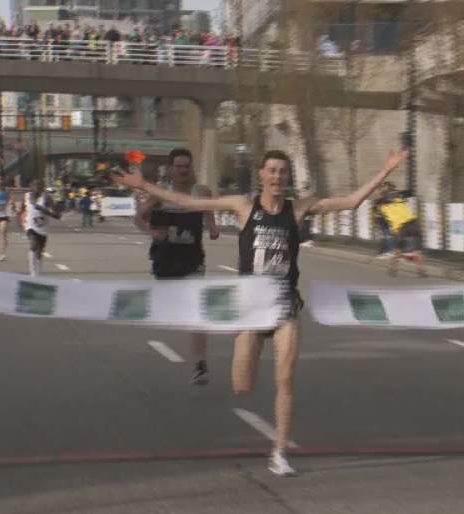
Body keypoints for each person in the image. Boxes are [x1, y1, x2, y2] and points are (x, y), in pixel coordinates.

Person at [115, 148, 408, 477]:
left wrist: (385, 170)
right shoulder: (244, 206)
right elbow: (189, 203)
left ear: (287, 177)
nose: (277, 177)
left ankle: (279, 452)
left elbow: (350, 202)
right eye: (272, 171)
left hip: (284, 305)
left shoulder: (298, 209)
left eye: (282, 172)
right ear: (262, 175)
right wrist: (145, 186)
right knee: (242, 385)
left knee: (285, 380)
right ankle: (250, 378)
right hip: (251, 309)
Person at [133, 148, 219, 385]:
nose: (183, 170)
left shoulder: (201, 192)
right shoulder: (161, 193)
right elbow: (139, 217)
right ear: (171, 169)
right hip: (166, 259)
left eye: (186, 166)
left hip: (192, 259)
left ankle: (200, 364)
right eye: (179, 166)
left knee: (199, 309)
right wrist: (153, 233)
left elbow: (209, 215)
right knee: (171, 307)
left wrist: (213, 228)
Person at [376, 184, 426, 278]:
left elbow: (381, 211)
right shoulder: (399, 199)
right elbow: (408, 192)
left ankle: (393, 268)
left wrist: (385, 192)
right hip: (414, 224)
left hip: (401, 228)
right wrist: (393, 190)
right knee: (417, 250)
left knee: (398, 249)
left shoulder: (382, 206)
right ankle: (421, 270)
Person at [21, 179, 59, 276]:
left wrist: (47, 211)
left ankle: (38, 272)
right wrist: (21, 222)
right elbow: (22, 209)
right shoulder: (26, 196)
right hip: (30, 226)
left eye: (39, 186)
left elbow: (57, 214)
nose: (37, 188)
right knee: (33, 245)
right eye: (35, 186)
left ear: (43, 188)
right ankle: (33, 272)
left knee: (39, 251)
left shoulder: (47, 198)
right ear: (31, 187)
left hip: (43, 228)